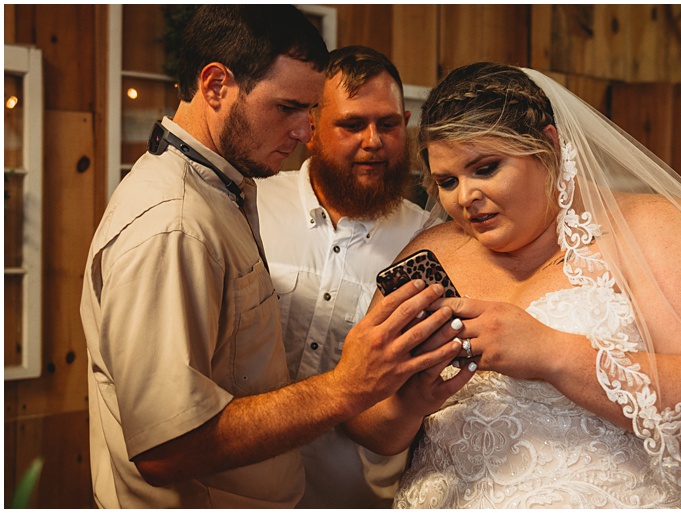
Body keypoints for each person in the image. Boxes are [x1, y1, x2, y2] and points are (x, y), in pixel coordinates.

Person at [79, 7, 464, 507]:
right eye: (288, 108)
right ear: (215, 85)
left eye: (308, 111)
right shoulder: (173, 222)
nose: (305, 132)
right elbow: (165, 447)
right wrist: (345, 387)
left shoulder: (227, 192)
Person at [344, 62, 681, 508]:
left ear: (550, 146)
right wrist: (410, 403)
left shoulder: (657, 229)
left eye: (485, 168)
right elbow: (364, 420)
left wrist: (554, 354)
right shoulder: (430, 254)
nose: (464, 197)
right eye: (447, 181)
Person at [257, 46, 435, 508]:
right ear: (312, 128)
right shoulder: (251, 205)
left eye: (389, 124)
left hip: (359, 496)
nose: (373, 141)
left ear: (407, 123)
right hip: (238, 489)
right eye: (353, 125)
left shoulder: (428, 240)